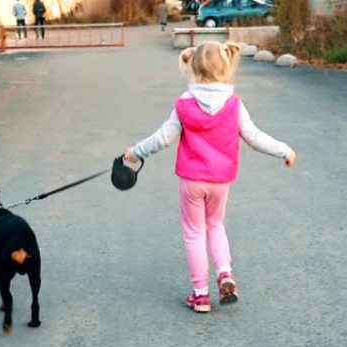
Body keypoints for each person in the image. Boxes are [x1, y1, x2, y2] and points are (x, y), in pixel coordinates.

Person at [122, 41, 297, 313]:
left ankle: (200, 295)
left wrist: (135, 152)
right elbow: (254, 137)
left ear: (193, 67)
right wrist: (284, 150)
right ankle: (225, 273)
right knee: (215, 225)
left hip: (192, 181)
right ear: (226, 65)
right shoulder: (234, 105)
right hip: (221, 181)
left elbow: (162, 139)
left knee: (194, 233)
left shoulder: (184, 105)